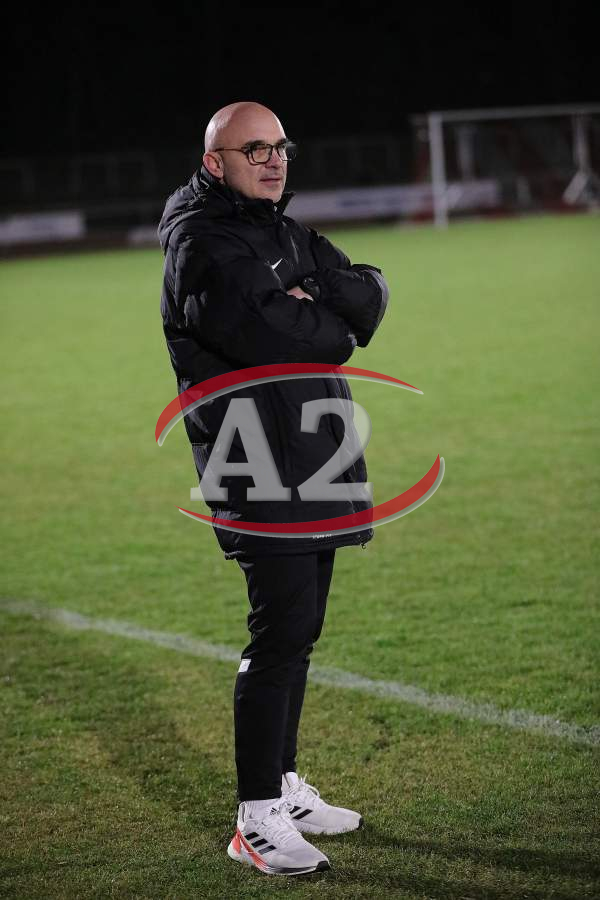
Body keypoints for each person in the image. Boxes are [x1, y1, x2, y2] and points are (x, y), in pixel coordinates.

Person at [158, 101, 388, 876]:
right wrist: (326, 319)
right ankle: (255, 819)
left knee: (302, 628)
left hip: (313, 451)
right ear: (214, 162)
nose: (273, 159)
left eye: (280, 146)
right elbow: (273, 337)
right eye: (253, 148)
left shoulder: (283, 232)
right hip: (256, 460)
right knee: (280, 630)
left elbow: (369, 296)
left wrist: (312, 297)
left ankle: (284, 787)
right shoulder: (201, 243)